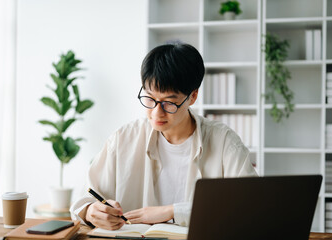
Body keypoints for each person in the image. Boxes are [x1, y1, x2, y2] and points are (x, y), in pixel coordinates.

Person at [70, 43, 258, 230]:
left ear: (192, 97)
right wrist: (90, 211)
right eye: (150, 99)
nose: (156, 113)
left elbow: (250, 207)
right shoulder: (124, 139)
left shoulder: (224, 142)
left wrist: (173, 211)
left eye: (169, 103)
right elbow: (82, 200)